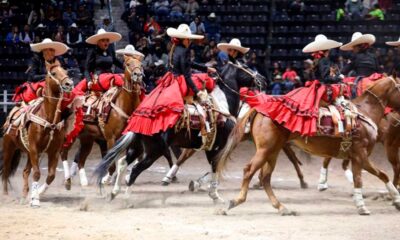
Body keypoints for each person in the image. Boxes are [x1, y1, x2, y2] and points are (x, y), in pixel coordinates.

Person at [122, 23, 216, 136]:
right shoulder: (185, 51)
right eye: (188, 39)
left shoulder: (174, 48)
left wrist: (205, 68)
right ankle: (203, 125)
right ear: (185, 39)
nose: (190, 41)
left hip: (170, 79)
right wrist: (198, 92)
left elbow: (188, 64)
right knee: (205, 81)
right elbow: (187, 75)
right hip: (180, 82)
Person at [13, 38, 69, 103]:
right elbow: (33, 77)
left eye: (52, 50)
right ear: (43, 51)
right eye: (47, 50)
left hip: (57, 85)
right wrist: (49, 76)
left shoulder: (59, 60)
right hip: (38, 85)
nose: (50, 52)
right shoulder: (35, 60)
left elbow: (63, 74)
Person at [73, 29, 124, 94]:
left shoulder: (110, 51)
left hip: (110, 76)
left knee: (123, 77)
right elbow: (86, 69)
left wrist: (127, 68)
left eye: (107, 40)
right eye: (103, 40)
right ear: (98, 42)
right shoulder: (92, 51)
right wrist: (89, 80)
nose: (106, 43)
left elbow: (116, 62)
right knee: (116, 78)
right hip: (98, 78)